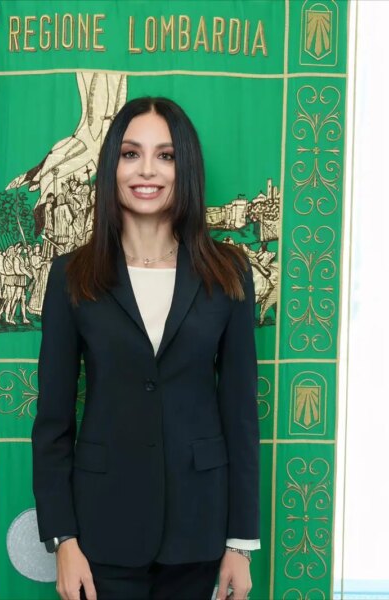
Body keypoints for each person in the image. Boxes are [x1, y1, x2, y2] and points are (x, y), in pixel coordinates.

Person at [31, 97, 260, 600]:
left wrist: (240, 543)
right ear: (111, 167)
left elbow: (240, 414)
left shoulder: (228, 272)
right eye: (131, 154)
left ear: (186, 167)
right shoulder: (72, 275)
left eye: (166, 155)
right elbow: (53, 422)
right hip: (101, 531)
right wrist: (64, 540)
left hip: (200, 529)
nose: (147, 171)